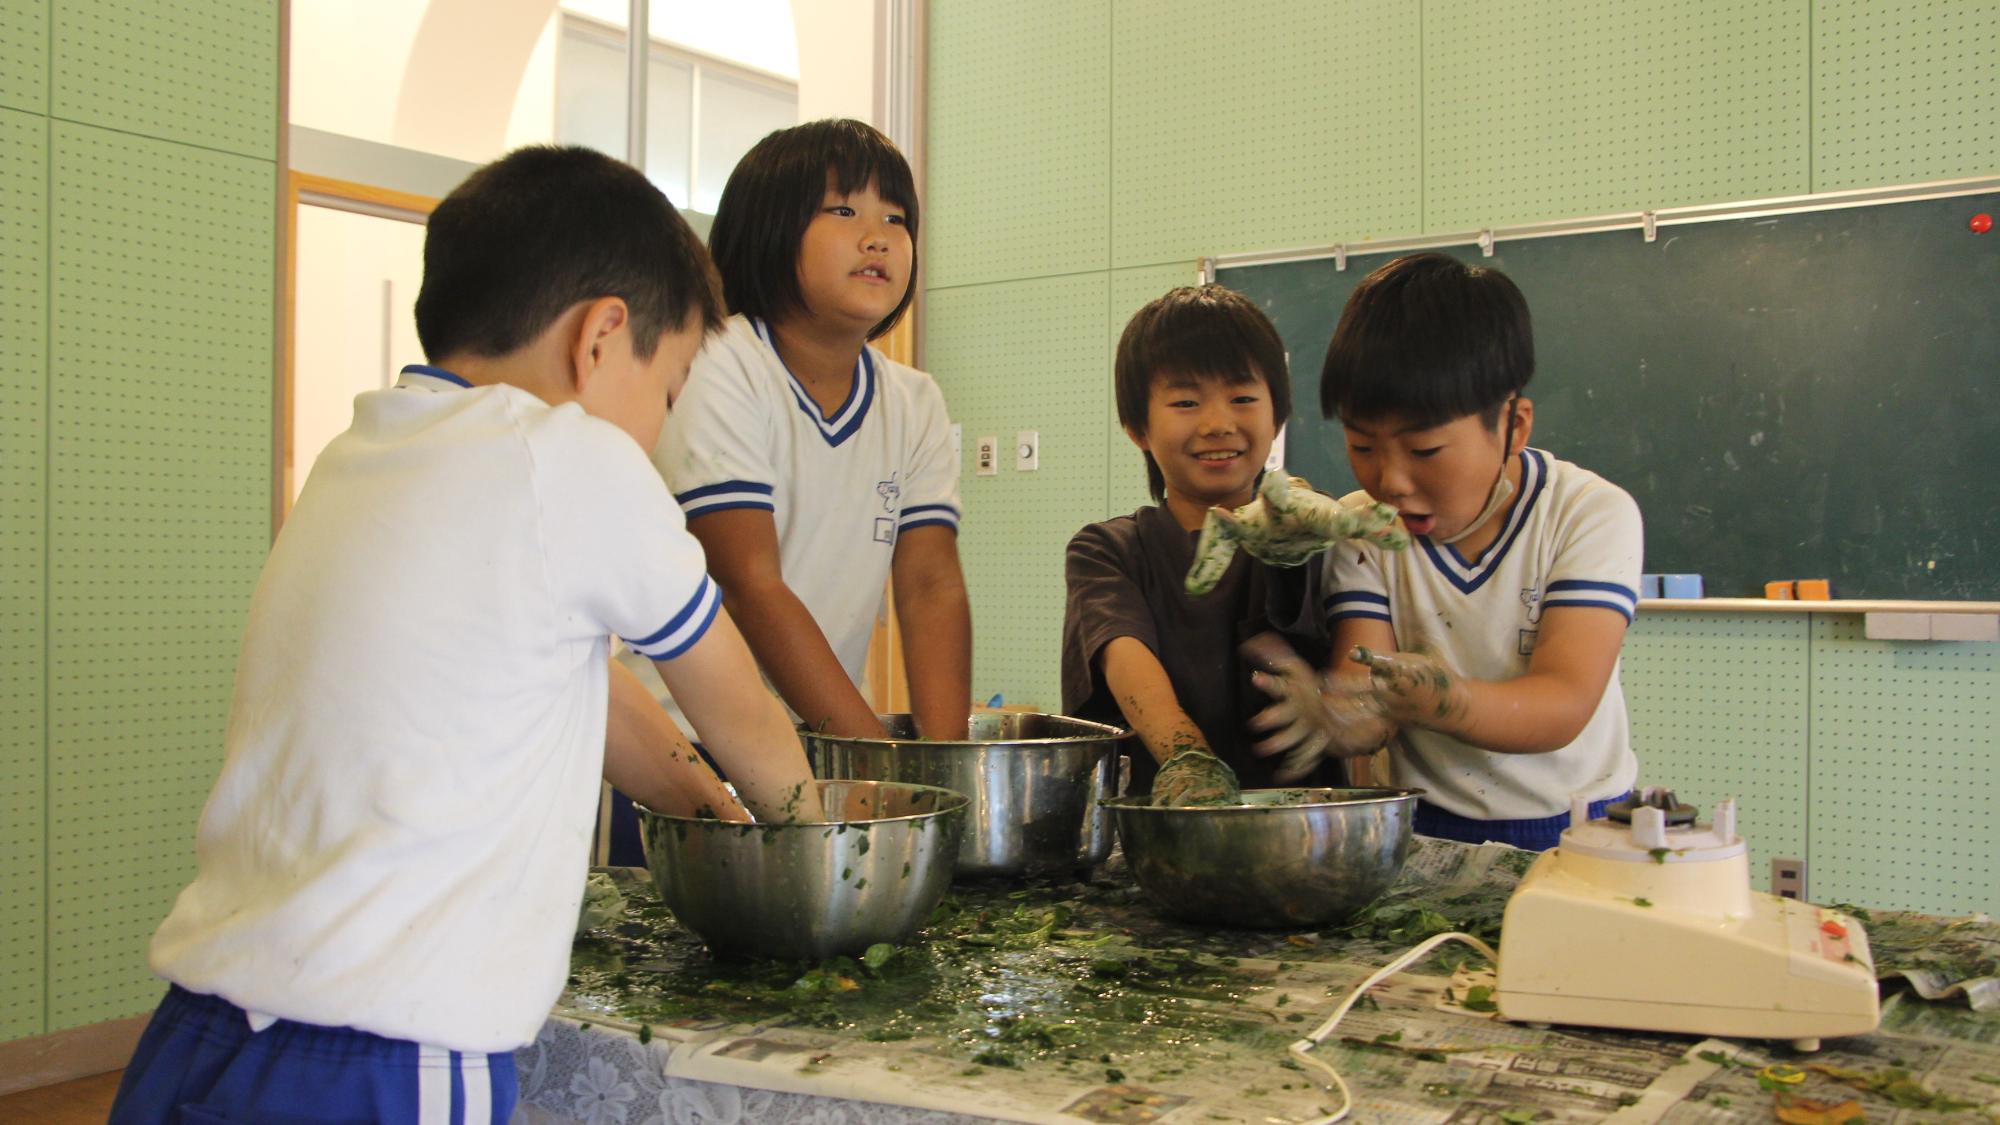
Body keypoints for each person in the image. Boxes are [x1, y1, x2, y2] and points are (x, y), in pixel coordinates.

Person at [109, 146, 823, 1125]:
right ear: (602, 337)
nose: (660, 429)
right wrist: (810, 836)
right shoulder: (570, 458)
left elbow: (596, 688)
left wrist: (709, 809)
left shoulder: (361, 453)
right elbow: (733, 702)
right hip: (382, 1049)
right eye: (670, 390)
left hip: (199, 1029)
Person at [617, 118, 967, 806]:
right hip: (685, 747)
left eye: (896, 218)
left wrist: (947, 771)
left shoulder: (913, 399)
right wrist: (886, 771)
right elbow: (752, 585)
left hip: (824, 749)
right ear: (768, 228)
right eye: (843, 210)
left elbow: (930, 585)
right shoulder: (719, 363)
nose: (878, 236)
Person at [1250, 252, 1640, 851]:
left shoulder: (1587, 514)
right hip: (1422, 834)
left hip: (1578, 831)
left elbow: (1563, 703)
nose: (1392, 481)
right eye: (1362, 446)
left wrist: (1446, 700)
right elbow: (1367, 693)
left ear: (1513, 424)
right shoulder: (1364, 527)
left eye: (1425, 451)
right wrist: (1335, 715)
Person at [1060, 285, 1349, 801]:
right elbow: (1125, 656)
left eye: (1242, 398)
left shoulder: (1313, 534)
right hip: (1161, 826)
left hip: (1306, 831)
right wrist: (1187, 758)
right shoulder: (1107, 551)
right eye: (1186, 402)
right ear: (1137, 428)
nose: (1218, 424)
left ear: (1277, 414)